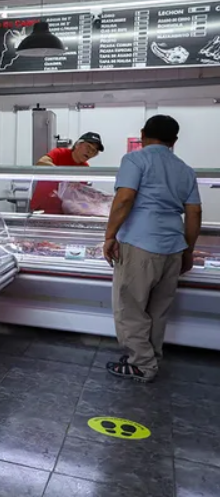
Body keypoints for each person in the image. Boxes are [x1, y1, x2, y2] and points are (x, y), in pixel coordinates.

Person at [103, 115, 202, 383]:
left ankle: (141, 364)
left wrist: (109, 236)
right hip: (173, 247)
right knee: (158, 309)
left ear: (142, 133)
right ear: (174, 141)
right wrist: (188, 251)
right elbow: (194, 213)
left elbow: (124, 199)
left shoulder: (135, 159)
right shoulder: (185, 169)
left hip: (140, 243)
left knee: (130, 308)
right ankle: (151, 357)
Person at [30, 132, 104, 214]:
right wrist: (65, 177)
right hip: (40, 209)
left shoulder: (85, 168)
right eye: (88, 147)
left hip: (62, 212)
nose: (90, 152)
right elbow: (41, 163)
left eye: (94, 151)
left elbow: (77, 196)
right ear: (77, 145)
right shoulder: (60, 153)